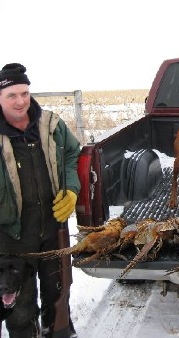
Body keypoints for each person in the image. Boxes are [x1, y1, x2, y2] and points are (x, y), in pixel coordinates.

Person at [0, 63, 80, 337]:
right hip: (11, 238)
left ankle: (57, 332)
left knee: (58, 295)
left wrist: (71, 189)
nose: (20, 101)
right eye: (12, 95)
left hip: (53, 229)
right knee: (20, 308)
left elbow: (72, 153)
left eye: (24, 93)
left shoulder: (51, 125)